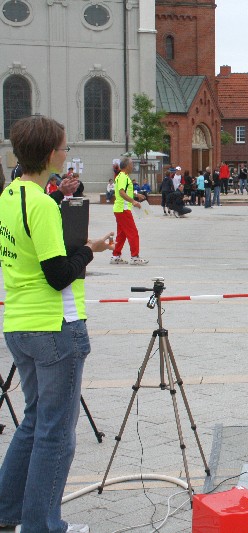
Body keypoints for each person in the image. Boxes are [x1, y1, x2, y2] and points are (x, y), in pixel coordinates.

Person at [0, 114, 114, 533]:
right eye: (64, 148)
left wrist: (80, 245)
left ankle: (7, 511)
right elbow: (58, 274)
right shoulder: (43, 205)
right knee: (56, 434)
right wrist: (90, 250)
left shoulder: (9, 195)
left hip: (19, 322)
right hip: (54, 325)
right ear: (50, 154)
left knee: (34, 421)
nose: (67, 154)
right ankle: (42, 526)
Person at [110, 157, 148, 265]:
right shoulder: (123, 177)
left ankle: (115, 256)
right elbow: (122, 192)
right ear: (127, 166)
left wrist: (136, 194)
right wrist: (133, 201)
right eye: (132, 164)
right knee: (133, 233)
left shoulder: (122, 176)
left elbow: (125, 190)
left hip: (119, 209)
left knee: (122, 234)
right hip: (123, 209)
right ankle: (135, 257)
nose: (133, 166)